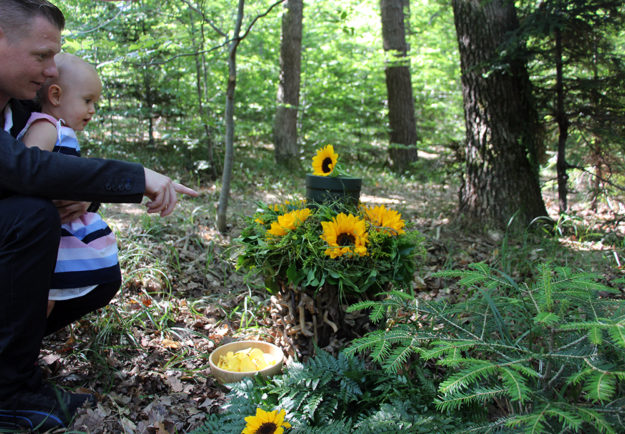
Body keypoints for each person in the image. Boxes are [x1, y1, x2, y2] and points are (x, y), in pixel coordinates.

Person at [0, 0, 198, 430]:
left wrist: (84, 200)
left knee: (100, 275)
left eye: (55, 56)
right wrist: (137, 177)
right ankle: (10, 394)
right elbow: (23, 168)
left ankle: (13, 370)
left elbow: (43, 173)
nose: (52, 69)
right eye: (41, 55)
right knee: (32, 217)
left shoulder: (17, 106)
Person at [17, 53, 121, 321]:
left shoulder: (62, 130)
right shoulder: (46, 127)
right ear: (55, 95)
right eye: (87, 101)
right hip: (48, 236)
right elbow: (27, 171)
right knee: (41, 302)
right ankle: (20, 355)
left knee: (46, 302)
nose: (92, 110)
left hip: (59, 230)